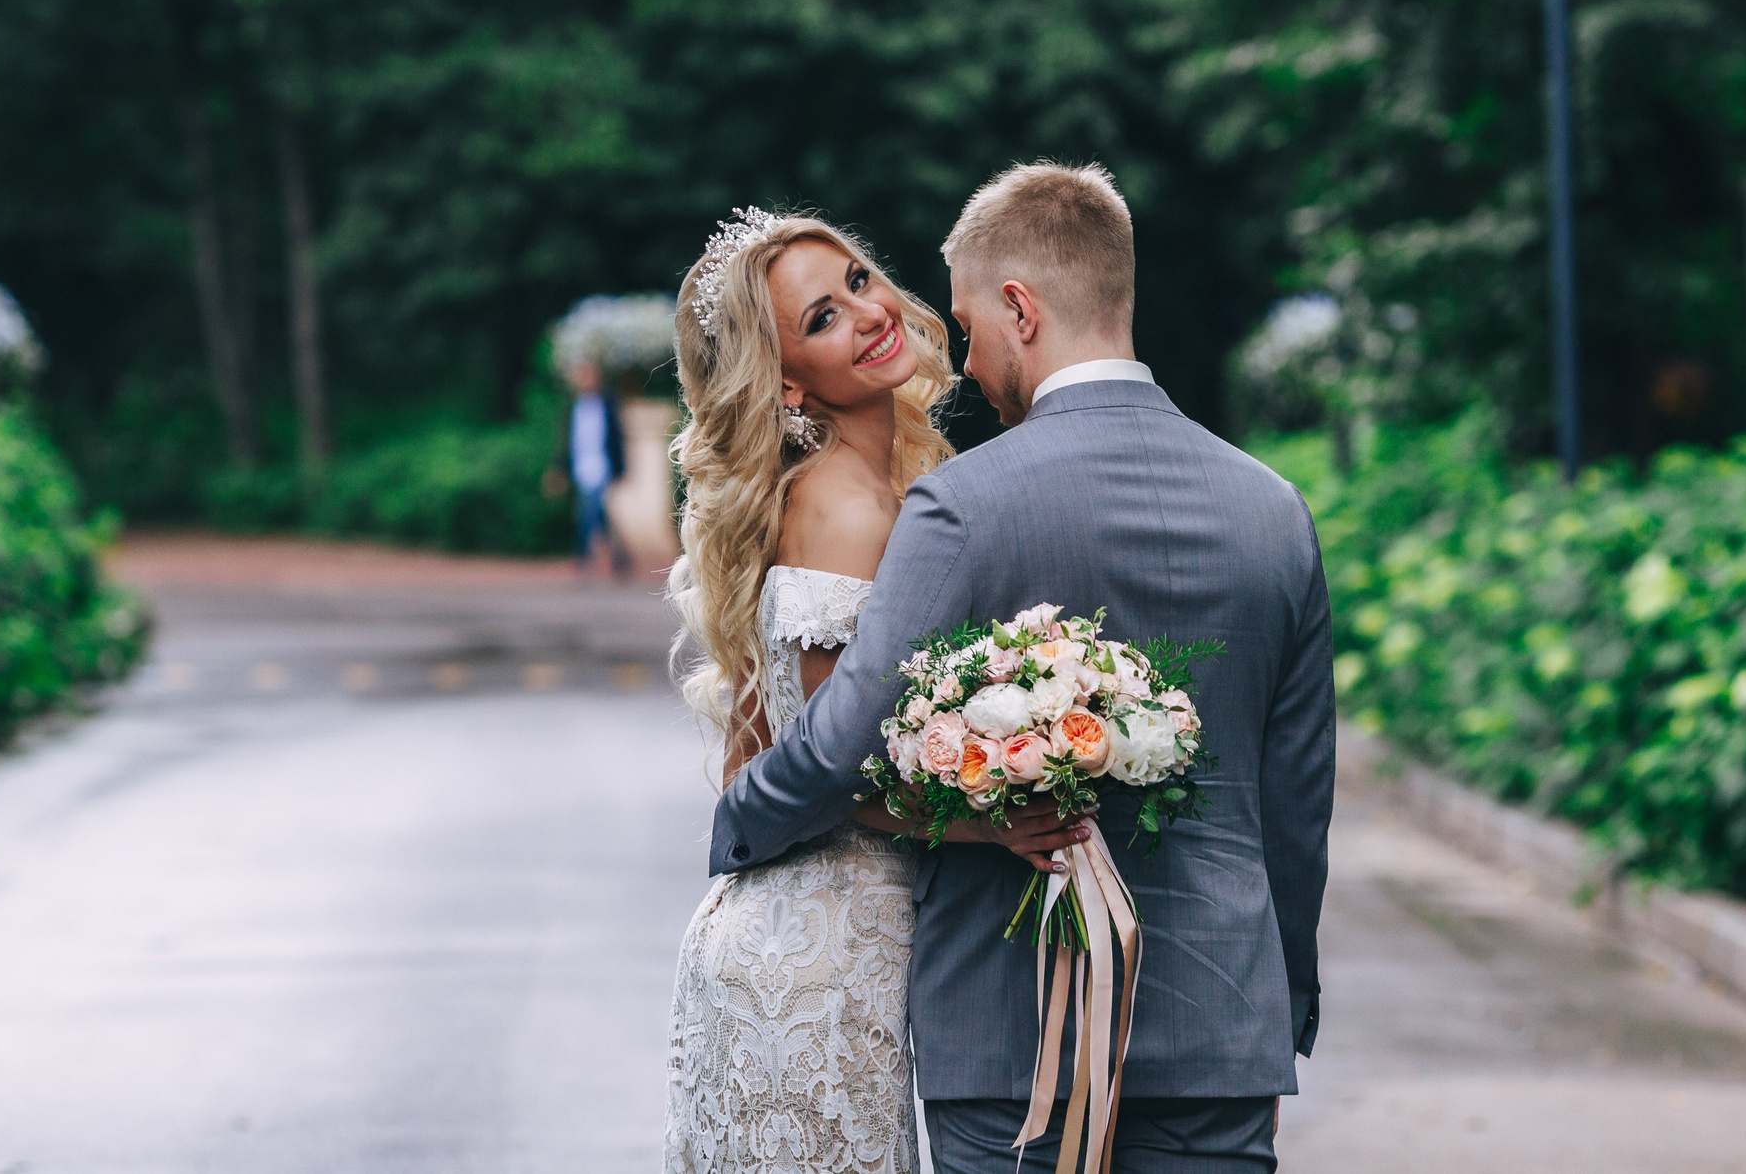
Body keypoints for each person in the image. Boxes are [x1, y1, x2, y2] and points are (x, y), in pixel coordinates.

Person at [707, 164, 1335, 1174]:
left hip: (1009, 1041)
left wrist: (737, 819)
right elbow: (1297, 804)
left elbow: (840, 746)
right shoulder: (1276, 510)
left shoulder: (960, 505)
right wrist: (1282, 997)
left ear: (1020, 309)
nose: (962, 358)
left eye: (967, 327)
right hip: (1220, 1026)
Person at [663, 208, 1086, 1174]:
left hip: (790, 934)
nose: (866, 311)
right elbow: (834, 767)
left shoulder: (845, 488)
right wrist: (997, 824)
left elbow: (749, 757)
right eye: (821, 318)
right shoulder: (848, 510)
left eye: (857, 280)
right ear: (786, 380)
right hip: (817, 966)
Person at [557, 358, 631, 578]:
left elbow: (617, 438)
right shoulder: (574, 407)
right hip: (581, 468)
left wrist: (619, 468)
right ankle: (621, 557)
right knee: (599, 516)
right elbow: (568, 440)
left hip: (601, 467)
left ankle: (582, 557)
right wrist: (561, 468)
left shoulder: (606, 404)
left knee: (586, 513)